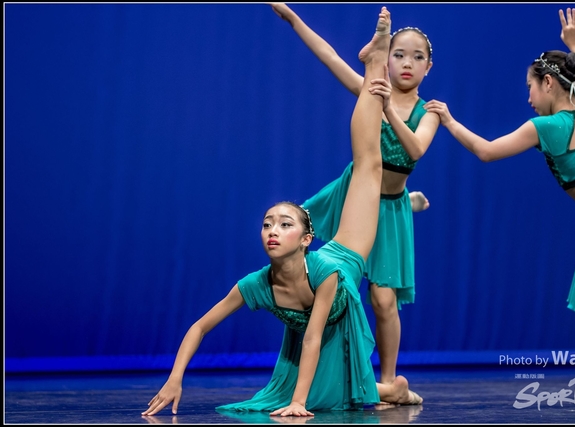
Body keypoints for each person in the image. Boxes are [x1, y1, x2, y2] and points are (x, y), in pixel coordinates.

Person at [141, 7, 422, 419]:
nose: (272, 230)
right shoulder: (256, 285)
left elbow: (312, 338)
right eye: (267, 224)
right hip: (321, 340)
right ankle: (397, 391)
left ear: (306, 240)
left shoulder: (325, 271)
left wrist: (297, 403)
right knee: (347, 395)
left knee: (369, 163)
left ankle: (376, 55)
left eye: (284, 224)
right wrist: (174, 378)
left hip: (346, 255)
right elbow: (199, 326)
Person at [424, 6, 575, 405]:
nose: (528, 98)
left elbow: (487, 151)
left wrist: (449, 122)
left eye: (531, 87)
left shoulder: (546, 127)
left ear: (549, 83)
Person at [271, 2, 439, 393]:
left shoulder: (427, 111)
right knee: (306, 248)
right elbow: (329, 56)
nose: (407, 63)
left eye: (417, 57)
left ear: (428, 67)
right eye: (399, 54)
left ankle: (389, 381)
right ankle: (306, 356)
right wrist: (293, 18)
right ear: (387, 60)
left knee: (383, 300)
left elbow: (415, 148)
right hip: (353, 192)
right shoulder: (371, 88)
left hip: (389, 207)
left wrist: (387, 108)